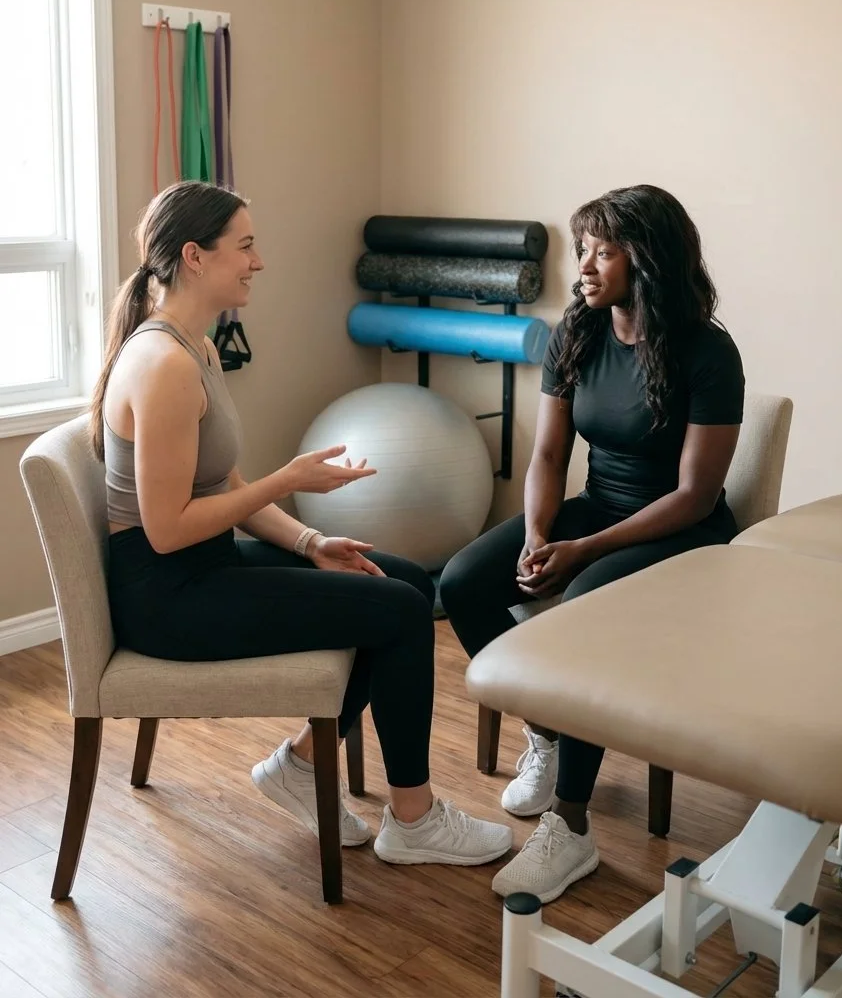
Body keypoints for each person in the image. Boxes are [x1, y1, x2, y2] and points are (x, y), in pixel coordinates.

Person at [92, 180, 512, 868]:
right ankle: (414, 818)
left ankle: (301, 764)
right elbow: (166, 530)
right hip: (169, 599)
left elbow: (223, 486)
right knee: (404, 613)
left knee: (397, 577)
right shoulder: (162, 364)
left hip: (206, 567)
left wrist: (313, 541)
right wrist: (288, 480)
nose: (258, 262)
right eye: (246, 246)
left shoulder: (193, 346)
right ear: (195, 257)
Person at [440, 184, 744, 904]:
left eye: (603, 252)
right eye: (584, 249)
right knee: (461, 582)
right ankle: (546, 731)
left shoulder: (707, 352)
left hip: (681, 535)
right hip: (596, 511)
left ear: (648, 261)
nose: (584, 266)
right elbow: (546, 456)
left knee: (579, 610)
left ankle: (570, 825)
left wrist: (584, 552)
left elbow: (695, 495)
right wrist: (542, 534)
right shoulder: (579, 329)